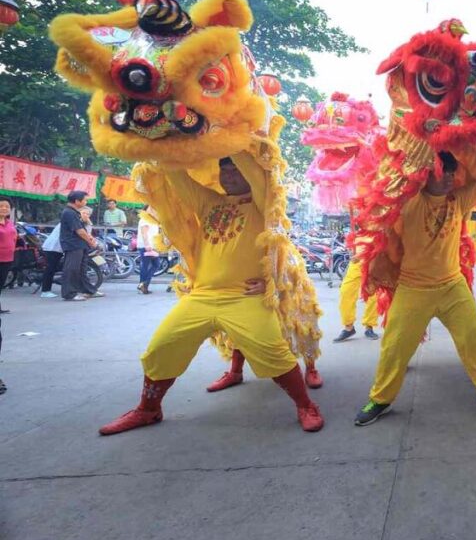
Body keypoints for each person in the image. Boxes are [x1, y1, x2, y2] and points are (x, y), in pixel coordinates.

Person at [98, 156, 324, 435]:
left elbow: (257, 174)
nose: (227, 176)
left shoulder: (262, 203)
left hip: (245, 296)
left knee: (273, 353)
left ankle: (305, 405)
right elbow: (175, 170)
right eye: (223, 170)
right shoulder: (209, 202)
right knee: (161, 347)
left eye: (235, 170)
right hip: (201, 296)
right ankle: (148, 409)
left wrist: (235, 134)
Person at [354, 147, 476, 427]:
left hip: (452, 286)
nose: (448, 179)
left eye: (452, 173)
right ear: (426, 176)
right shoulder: (409, 204)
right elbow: (388, 191)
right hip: (413, 288)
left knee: (474, 337)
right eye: (442, 174)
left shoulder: (458, 201)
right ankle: (381, 399)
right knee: (395, 347)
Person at [59, 191, 98, 302]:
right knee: (71, 269)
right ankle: (69, 293)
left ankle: (87, 290)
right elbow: (79, 231)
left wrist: (89, 239)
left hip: (80, 244)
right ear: (77, 201)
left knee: (81, 269)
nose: (86, 202)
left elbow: (83, 229)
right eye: (84, 200)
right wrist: (90, 242)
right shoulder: (69, 213)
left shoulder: (75, 212)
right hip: (73, 245)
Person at [334, 258, 380, 342]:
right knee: (345, 292)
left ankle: (369, 326)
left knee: (373, 296)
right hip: (356, 262)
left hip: (374, 262)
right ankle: (349, 327)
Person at [136, 205, 162, 295]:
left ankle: (143, 284)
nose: (153, 210)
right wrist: (147, 244)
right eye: (150, 208)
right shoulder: (145, 219)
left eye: (154, 208)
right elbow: (144, 233)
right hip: (146, 246)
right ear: (145, 210)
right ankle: (143, 285)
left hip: (152, 245)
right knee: (147, 265)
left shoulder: (153, 220)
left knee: (156, 264)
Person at [39, 222, 63, 298]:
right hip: (52, 248)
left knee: (52, 269)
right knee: (50, 269)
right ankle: (45, 291)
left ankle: (46, 289)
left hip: (57, 249)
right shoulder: (67, 222)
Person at [0, 198, 15, 314]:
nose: (4, 208)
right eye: (1, 206)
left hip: (7, 258)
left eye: (7, 206)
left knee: (1, 283)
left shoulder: (9, 222)